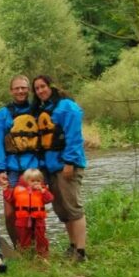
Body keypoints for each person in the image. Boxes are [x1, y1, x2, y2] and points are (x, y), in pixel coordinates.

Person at [32, 74, 88, 262]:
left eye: (43, 87)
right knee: (62, 210)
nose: (40, 91)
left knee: (73, 208)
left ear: (51, 86)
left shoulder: (67, 107)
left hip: (66, 165)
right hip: (51, 167)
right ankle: (72, 246)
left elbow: (74, 137)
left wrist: (70, 162)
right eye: (37, 88)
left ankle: (81, 251)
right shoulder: (43, 110)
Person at [0, 74, 40, 250]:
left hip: (34, 169)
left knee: (34, 211)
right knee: (10, 213)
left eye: (24, 88)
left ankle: (35, 246)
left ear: (28, 89)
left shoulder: (37, 111)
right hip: (11, 169)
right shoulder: (2, 115)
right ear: (11, 91)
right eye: (17, 88)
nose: (20, 91)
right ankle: (19, 247)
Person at [3, 168, 54, 258]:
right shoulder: (18, 190)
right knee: (23, 238)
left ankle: (42, 255)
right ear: (26, 181)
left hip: (38, 220)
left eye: (38, 181)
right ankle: (25, 255)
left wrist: (44, 191)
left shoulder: (42, 190)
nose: (35, 183)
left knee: (40, 238)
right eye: (32, 181)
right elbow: (10, 199)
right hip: (23, 219)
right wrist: (5, 189)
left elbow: (49, 199)